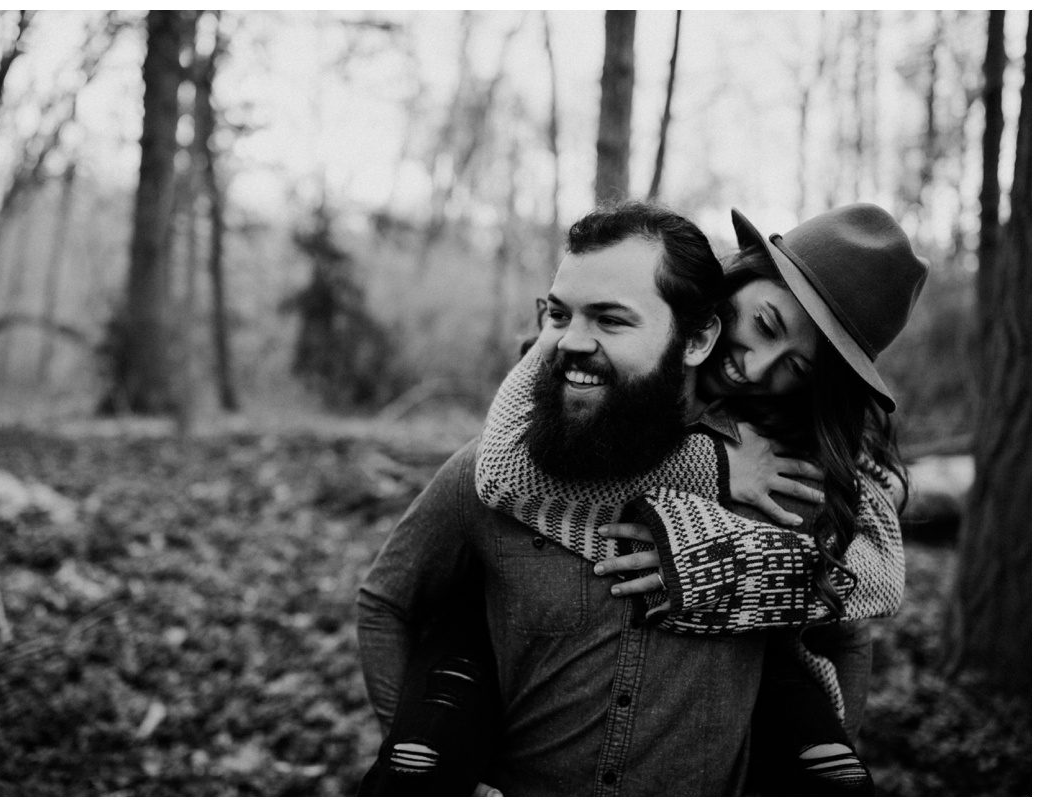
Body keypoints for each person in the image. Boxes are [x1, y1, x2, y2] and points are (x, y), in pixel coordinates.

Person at [357, 201, 919, 795]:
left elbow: (863, 598)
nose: (756, 368)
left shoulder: (790, 476)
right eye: (768, 325)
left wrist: (741, 566)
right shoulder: (552, 395)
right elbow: (495, 471)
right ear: (743, 277)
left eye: (797, 367)